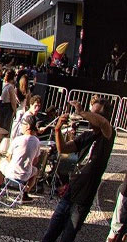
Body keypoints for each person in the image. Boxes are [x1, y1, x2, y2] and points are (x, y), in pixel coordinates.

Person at [43, 98, 115, 242]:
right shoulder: (88, 135)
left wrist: (82, 111)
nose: (88, 117)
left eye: (94, 114)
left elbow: (103, 123)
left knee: (67, 239)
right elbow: (63, 149)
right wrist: (57, 130)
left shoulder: (107, 135)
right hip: (69, 195)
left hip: (81, 201)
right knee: (49, 236)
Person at [0, 114, 40, 200]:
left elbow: (8, 157)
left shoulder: (18, 139)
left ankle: (0, 187)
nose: (21, 127)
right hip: (24, 177)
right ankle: (25, 192)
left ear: (27, 126)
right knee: (35, 170)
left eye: (23, 124)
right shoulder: (37, 141)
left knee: (1, 163)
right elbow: (35, 161)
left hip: (11, 175)